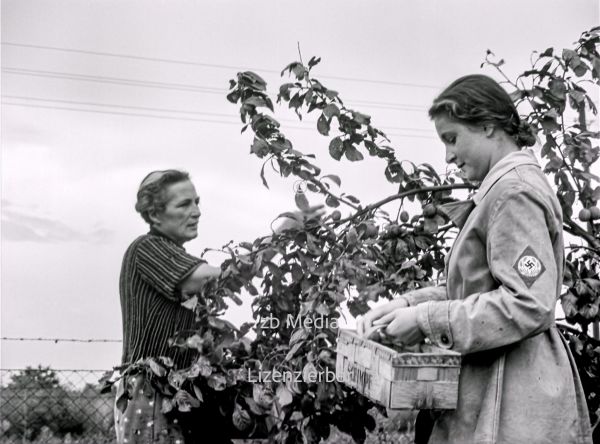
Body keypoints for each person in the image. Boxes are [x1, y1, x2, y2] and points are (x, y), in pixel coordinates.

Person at [357, 74, 592, 443]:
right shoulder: (499, 190)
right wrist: (406, 305)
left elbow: (529, 301)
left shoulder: (515, 193)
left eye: (452, 138)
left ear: (487, 125)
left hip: (513, 394)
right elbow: (478, 286)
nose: (448, 155)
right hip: (491, 384)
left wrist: (425, 320)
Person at [114, 169, 323, 444]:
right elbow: (222, 278)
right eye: (184, 204)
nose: (197, 211)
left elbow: (201, 333)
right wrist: (281, 236)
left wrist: (266, 354)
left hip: (183, 394)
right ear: (154, 215)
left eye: (197, 202)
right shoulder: (147, 249)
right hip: (153, 395)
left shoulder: (175, 256)